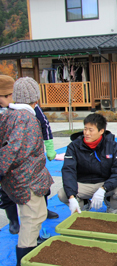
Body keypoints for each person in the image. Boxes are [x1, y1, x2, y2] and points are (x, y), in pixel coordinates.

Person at [0, 77, 54, 265]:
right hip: (26, 179)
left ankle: (29, 250)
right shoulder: (25, 119)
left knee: (37, 215)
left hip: (22, 178)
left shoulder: (9, 115)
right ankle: (24, 258)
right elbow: (11, 150)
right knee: (31, 220)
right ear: (35, 99)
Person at [58, 113, 117, 214]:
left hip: (105, 183)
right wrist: (71, 196)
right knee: (63, 194)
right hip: (83, 184)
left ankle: (111, 205)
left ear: (101, 131)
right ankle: (84, 205)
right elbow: (68, 171)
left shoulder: (112, 146)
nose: (86, 133)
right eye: (85, 129)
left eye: (91, 130)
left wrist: (104, 188)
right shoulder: (74, 147)